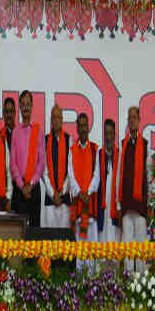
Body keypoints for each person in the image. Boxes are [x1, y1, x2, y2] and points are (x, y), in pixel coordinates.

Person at [118, 107, 149, 272]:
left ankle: (141, 281)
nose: (131, 120)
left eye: (134, 117)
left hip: (140, 204)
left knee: (141, 245)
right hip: (126, 203)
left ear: (139, 120)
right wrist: (118, 203)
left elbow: (149, 175)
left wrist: (150, 203)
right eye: (129, 118)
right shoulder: (123, 144)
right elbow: (119, 175)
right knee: (128, 245)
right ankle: (128, 279)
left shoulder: (145, 145)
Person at [68, 112, 100, 271]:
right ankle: (79, 281)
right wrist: (80, 193)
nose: (82, 129)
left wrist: (88, 192)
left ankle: (93, 281)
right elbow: (71, 175)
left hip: (90, 204)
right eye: (80, 126)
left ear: (88, 127)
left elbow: (97, 175)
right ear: (77, 128)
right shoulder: (72, 150)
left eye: (84, 125)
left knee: (92, 248)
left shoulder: (95, 149)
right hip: (78, 205)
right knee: (79, 249)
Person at [10, 91, 45, 227]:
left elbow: (41, 163)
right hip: (19, 190)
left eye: (28, 104)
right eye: (23, 104)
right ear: (20, 107)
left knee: (34, 231)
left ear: (32, 106)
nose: (25, 107)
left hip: (34, 188)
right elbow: (13, 164)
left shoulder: (38, 131)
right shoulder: (15, 132)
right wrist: (22, 186)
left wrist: (30, 184)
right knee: (19, 232)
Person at [42, 105, 71, 228]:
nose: (56, 120)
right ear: (51, 120)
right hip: (50, 199)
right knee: (50, 236)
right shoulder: (45, 140)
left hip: (64, 199)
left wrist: (61, 192)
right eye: (54, 117)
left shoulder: (69, 140)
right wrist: (52, 193)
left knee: (64, 237)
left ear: (62, 119)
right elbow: (44, 171)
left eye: (59, 117)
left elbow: (70, 172)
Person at [97, 119, 121, 244]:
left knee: (115, 238)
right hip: (102, 205)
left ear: (114, 135)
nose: (108, 137)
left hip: (115, 205)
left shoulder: (120, 155)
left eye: (110, 133)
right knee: (102, 239)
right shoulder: (99, 155)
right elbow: (95, 180)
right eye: (106, 133)